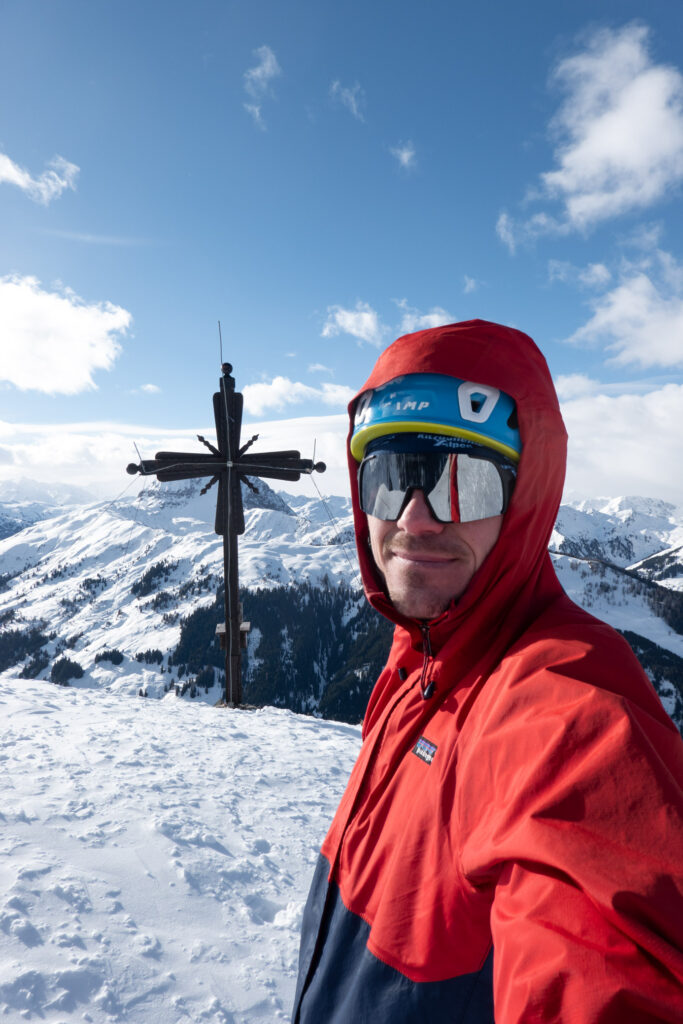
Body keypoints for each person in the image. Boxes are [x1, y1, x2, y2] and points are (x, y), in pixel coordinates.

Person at [291, 319, 683, 1023]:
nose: (415, 519)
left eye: (462, 482)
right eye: (389, 479)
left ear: (525, 498)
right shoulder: (418, 658)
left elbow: (603, 961)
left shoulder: (568, 709)